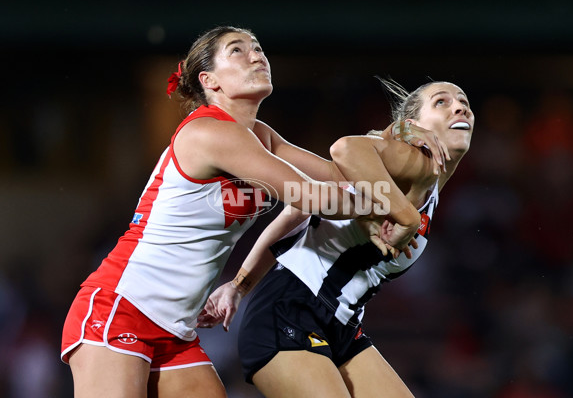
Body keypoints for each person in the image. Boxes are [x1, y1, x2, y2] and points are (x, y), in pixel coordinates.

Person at [59, 26, 448, 398]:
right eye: (238, 51)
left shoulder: (259, 135)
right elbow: (314, 196)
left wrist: (398, 139)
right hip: (119, 306)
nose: (256, 55)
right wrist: (392, 208)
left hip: (175, 330)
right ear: (210, 81)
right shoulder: (211, 133)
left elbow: (340, 174)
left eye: (258, 48)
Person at [198, 79, 474, 397]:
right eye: (441, 101)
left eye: (463, 101)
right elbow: (344, 148)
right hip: (291, 311)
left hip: (341, 327)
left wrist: (239, 286)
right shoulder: (414, 164)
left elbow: (296, 214)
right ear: (414, 125)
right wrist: (408, 219)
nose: (459, 106)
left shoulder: (422, 183)